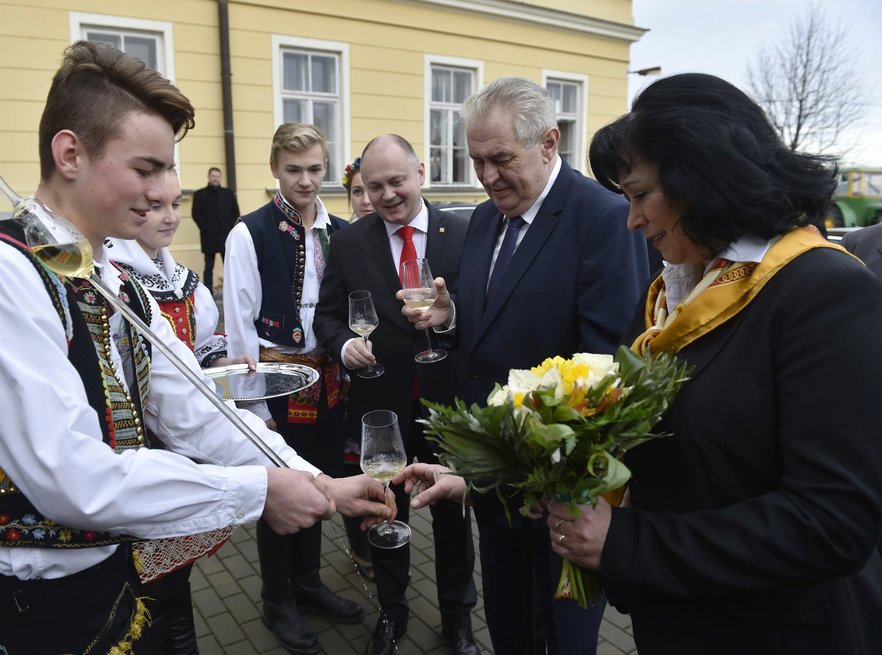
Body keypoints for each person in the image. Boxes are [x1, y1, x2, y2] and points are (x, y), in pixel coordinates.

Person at [0, 41, 393, 655]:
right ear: (70, 154)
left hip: (118, 578)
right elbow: (74, 479)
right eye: (145, 169)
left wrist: (315, 482)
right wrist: (260, 492)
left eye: (169, 168)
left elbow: (197, 410)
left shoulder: (114, 277)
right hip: (37, 613)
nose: (166, 189)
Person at [542, 73, 882, 654]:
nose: (632, 219)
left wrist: (627, 543)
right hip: (677, 618)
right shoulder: (674, 288)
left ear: (701, 178)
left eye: (640, 194)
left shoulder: (822, 289)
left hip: (774, 632)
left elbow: (831, 522)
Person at [401, 77, 648, 655]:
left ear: (548, 142)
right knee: (509, 622)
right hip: (491, 478)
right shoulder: (486, 217)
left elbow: (607, 368)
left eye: (500, 159)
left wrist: (556, 473)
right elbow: (497, 326)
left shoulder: (603, 217)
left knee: (563, 635)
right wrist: (452, 315)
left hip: (560, 487)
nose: (486, 176)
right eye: (477, 161)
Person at [315, 135, 479, 655]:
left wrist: (450, 318)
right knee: (384, 513)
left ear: (421, 173)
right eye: (373, 186)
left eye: (396, 181)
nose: (386, 195)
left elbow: (485, 310)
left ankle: (458, 618)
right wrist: (343, 346)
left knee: (454, 519)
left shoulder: (467, 232)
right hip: (380, 407)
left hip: (447, 404)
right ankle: (392, 613)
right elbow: (326, 315)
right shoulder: (348, 241)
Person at [224, 122, 362, 654]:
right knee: (279, 491)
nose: (306, 181)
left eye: (315, 170)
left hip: (328, 379)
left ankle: (307, 583)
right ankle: (277, 598)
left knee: (320, 482)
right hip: (276, 383)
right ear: (274, 169)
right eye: (293, 170)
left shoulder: (340, 230)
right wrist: (251, 408)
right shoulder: (249, 232)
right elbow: (239, 324)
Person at [106, 171, 253, 654]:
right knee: (146, 579)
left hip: (188, 433)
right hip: (139, 445)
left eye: (175, 204)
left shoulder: (185, 280)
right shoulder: (111, 279)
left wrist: (220, 359)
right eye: (154, 206)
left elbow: (198, 348)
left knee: (174, 570)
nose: (167, 217)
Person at [337, 155, 377, 579]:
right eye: (358, 192)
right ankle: (362, 548)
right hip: (344, 380)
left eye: (371, 190)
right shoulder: (343, 241)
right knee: (351, 464)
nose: (367, 200)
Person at [191, 166, 240, 292]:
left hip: (226, 235)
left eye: (217, 176)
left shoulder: (228, 194)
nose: (215, 178)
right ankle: (208, 292)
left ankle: (231, 291)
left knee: (228, 266)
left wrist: (230, 227)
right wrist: (205, 227)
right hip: (209, 236)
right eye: (213, 176)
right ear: (208, 177)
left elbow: (235, 213)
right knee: (209, 267)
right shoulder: (200, 194)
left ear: (220, 178)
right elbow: (196, 214)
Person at [342, 156, 374, 221]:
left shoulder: (398, 230)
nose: (366, 201)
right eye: (358, 191)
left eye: (373, 189)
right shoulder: (343, 230)